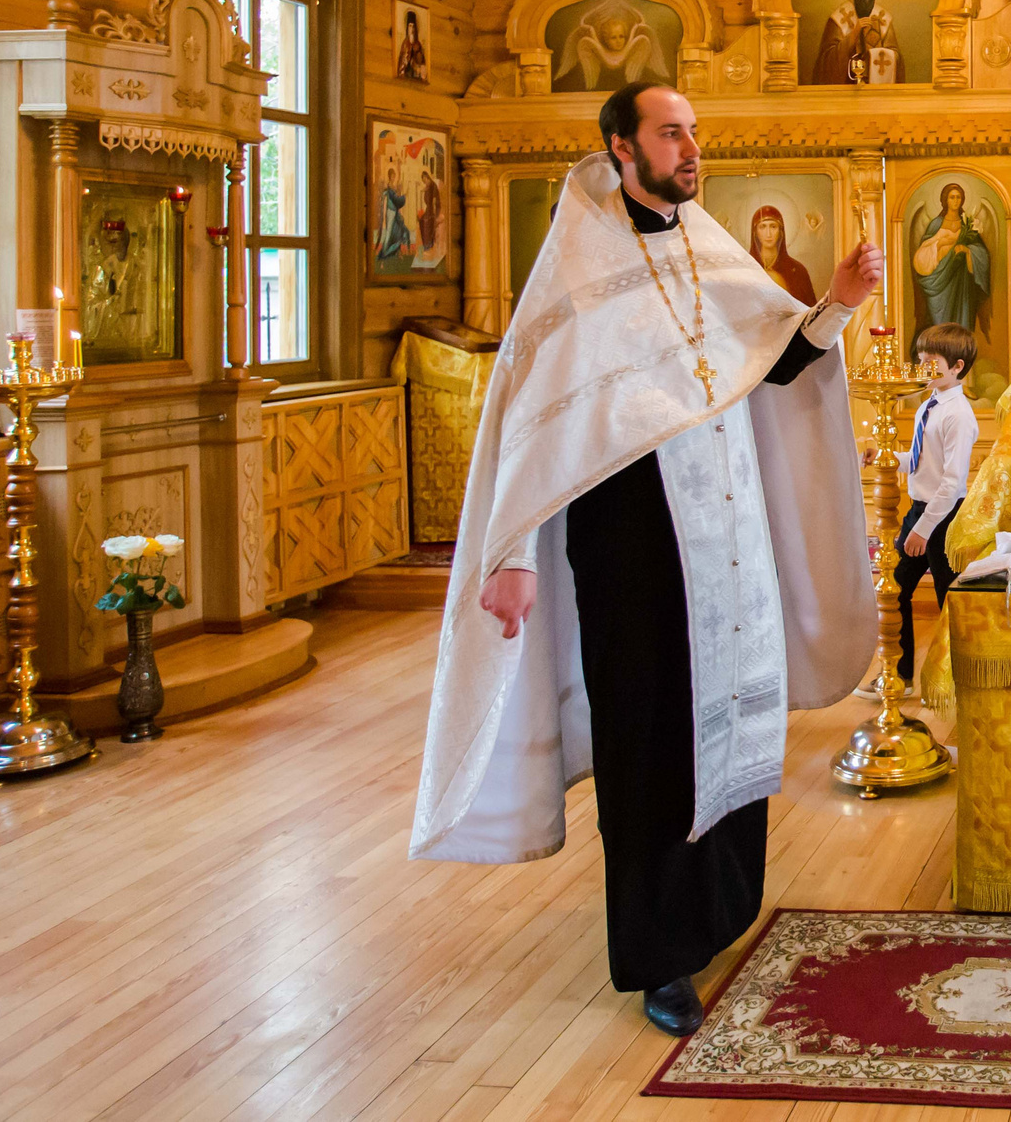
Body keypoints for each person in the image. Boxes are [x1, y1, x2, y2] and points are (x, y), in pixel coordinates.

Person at [410, 80, 881, 1039]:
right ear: (622, 148)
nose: (690, 146)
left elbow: (774, 355)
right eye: (672, 133)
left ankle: (718, 911)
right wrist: (511, 552)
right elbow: (532, 422)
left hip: (727, 547)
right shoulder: (577, 271)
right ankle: (658, 955)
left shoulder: (709, 245)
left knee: (729, 730)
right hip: (634, 557)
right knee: (650, 747)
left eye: (694, 132)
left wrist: (832, 303)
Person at [895, 323, 978, 687]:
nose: (923, 367)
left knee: (949, 602)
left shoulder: (958, 414)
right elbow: (921, 460)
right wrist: (887, 457)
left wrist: (923, 530)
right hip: (919, 511)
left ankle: (958, 681)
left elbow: (951, 481)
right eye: (920, 359)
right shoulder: (929, 405)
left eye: (932, 362)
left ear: (957, 366)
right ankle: (900, 675)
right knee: (895, 590)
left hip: (942, 518)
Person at [912, 182, 991, 334]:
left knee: (961, 324)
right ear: (945, 200)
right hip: (939, 282)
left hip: (962, 283)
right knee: (940, 328)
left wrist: (967, 251)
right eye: (952, 197)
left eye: (958, 197)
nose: (955, 201)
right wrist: (940, 243)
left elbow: (982, 253)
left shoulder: (967, 224)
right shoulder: (936, 224)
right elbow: (923, 253)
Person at [811, 0, 903, 84]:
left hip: (877, 88)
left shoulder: (883, 17)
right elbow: (827, 62)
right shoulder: (839, 17)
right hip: (847, 88)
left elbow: (897, 58)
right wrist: (854, 34)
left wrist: (879, 56)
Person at [748, 206, 817, 304]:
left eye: (773, 226)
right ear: (755, 232)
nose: (768, 234)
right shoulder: (745, 269)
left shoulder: (797, 271)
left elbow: (809, 312)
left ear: (781, 231)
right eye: (762, 227)